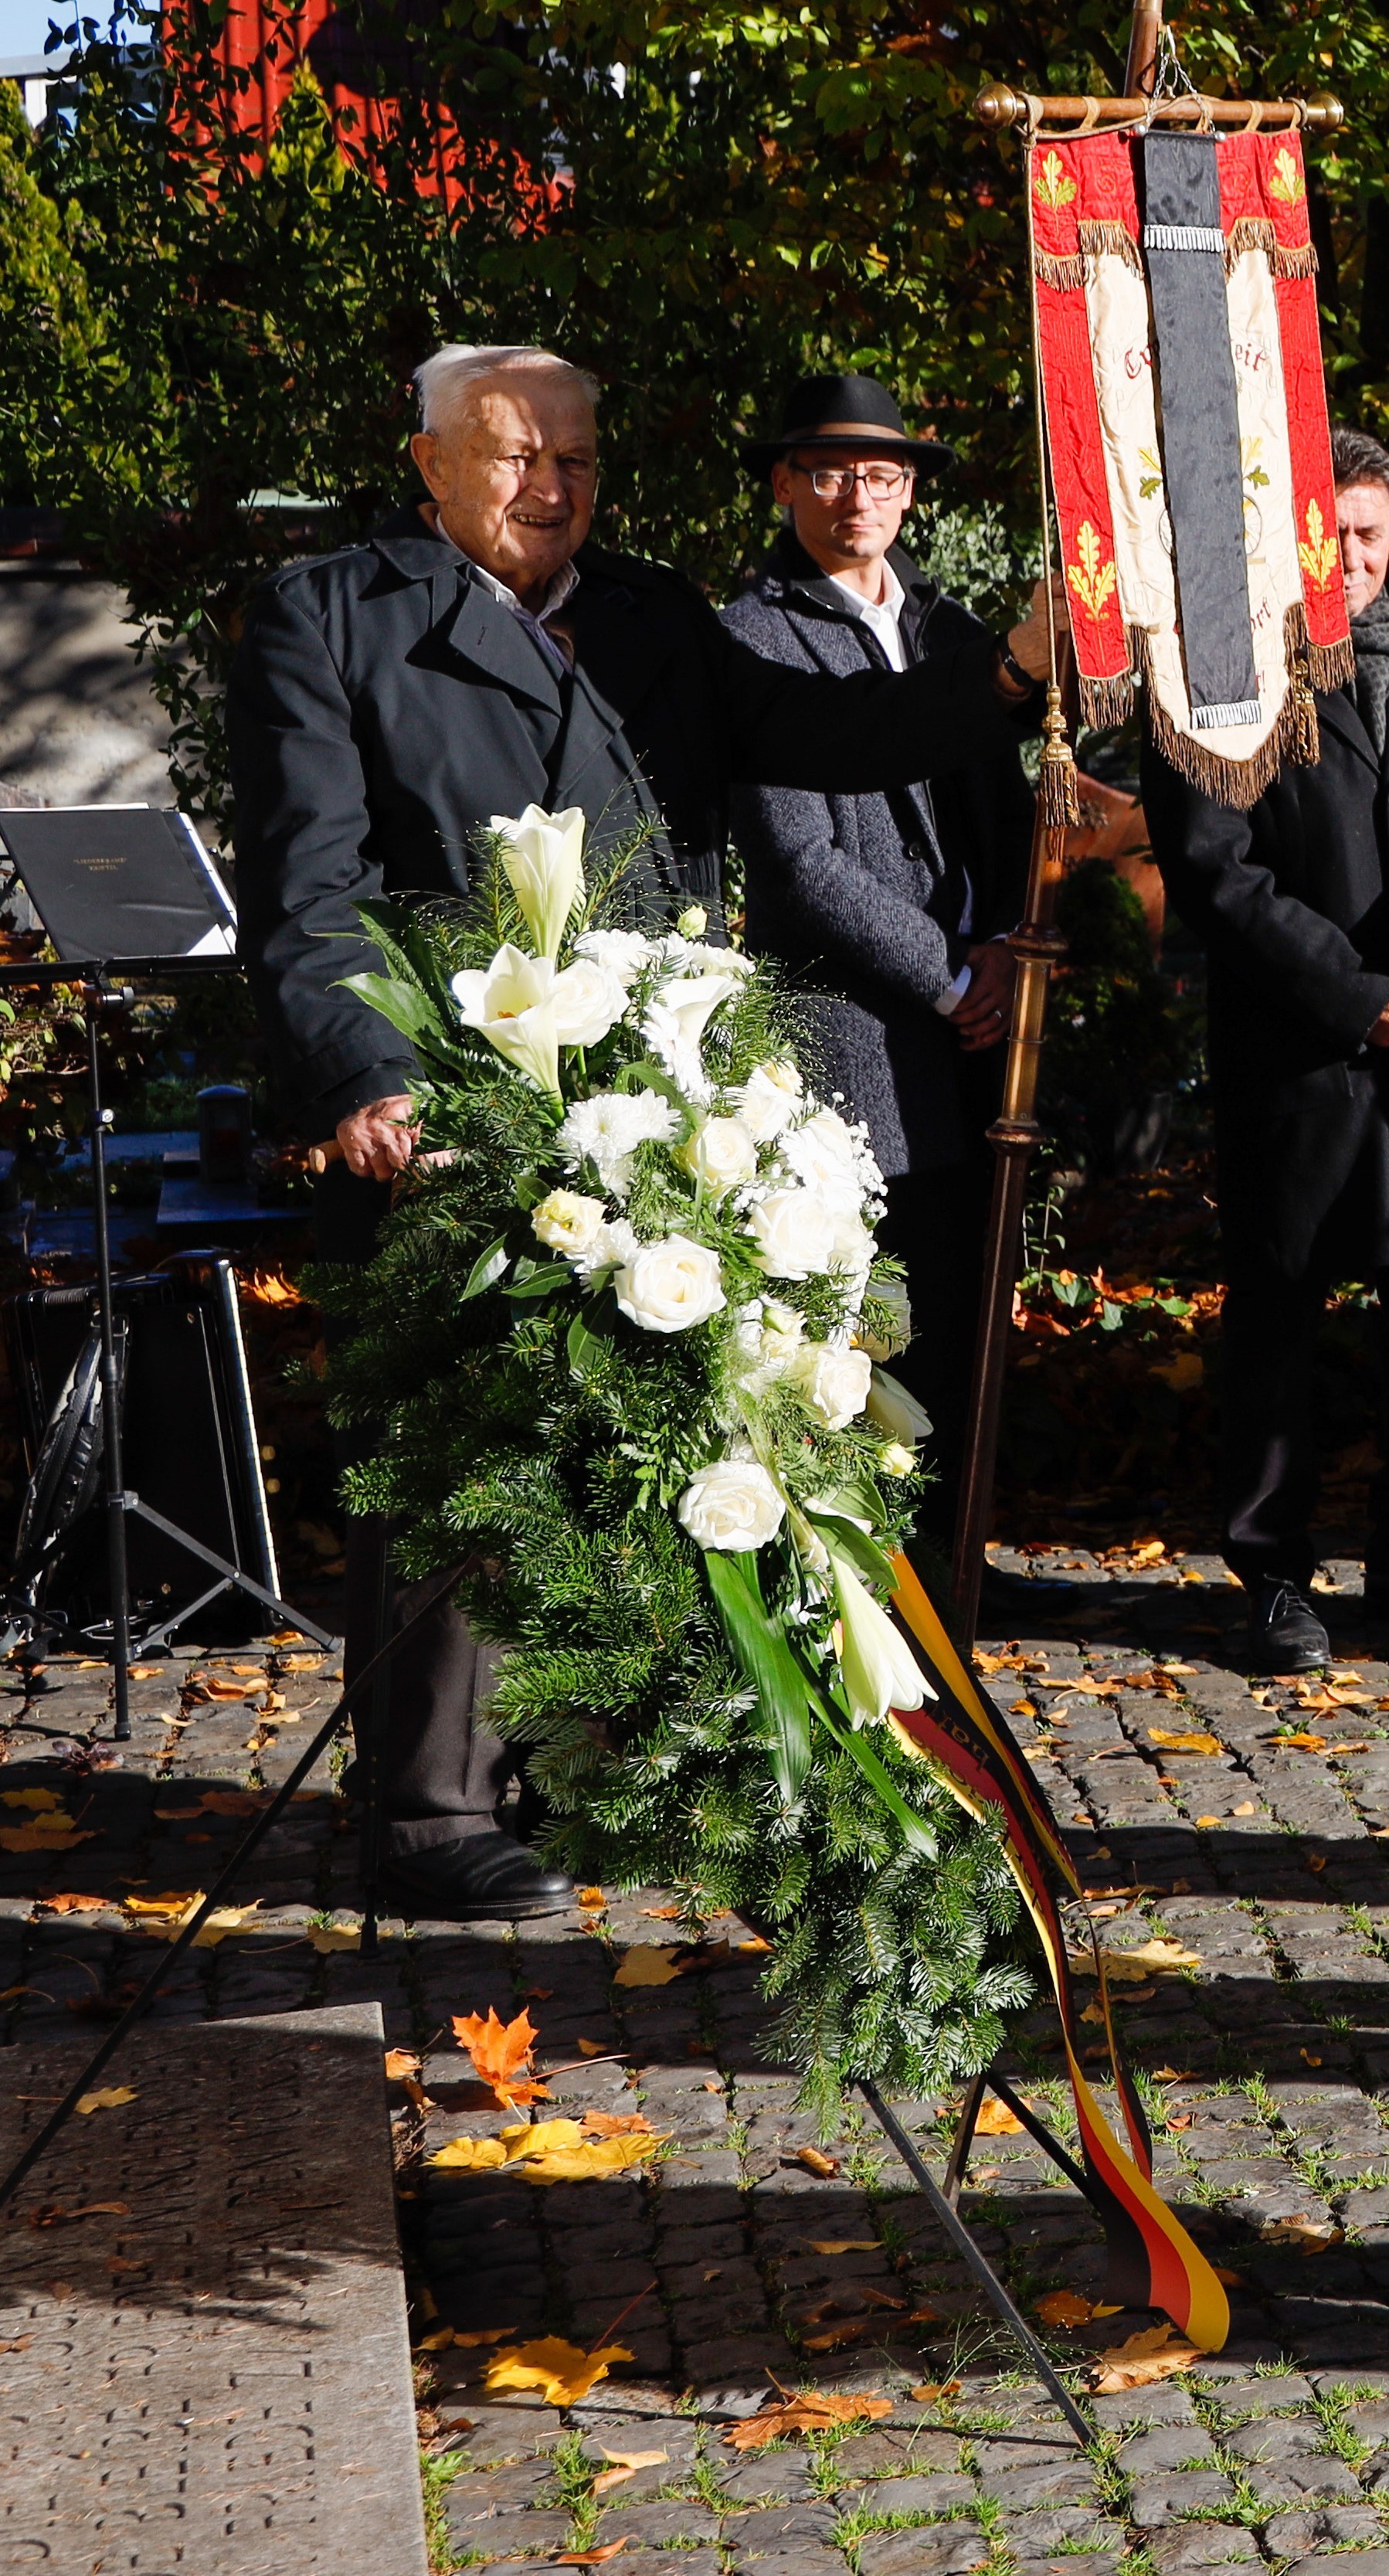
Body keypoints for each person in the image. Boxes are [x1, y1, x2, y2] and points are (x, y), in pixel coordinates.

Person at [231, 344, 1048, 1922]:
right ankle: (426, 1807)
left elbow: (839, 734)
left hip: (642, 1096)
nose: (553, 487)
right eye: (516, 455)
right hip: (452, 1101)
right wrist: (364, 1080)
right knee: (456, 1456)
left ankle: (580, 1767)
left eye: (579, 460)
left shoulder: (653, 617)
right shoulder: (329, 615)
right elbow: (310, 889)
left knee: (627, 1445)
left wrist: (1012, 670)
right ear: (429, 465)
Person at [1146, 430, 1389, 1670]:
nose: (1347, 555)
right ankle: (1273, 1573)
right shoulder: (1223, 677)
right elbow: (1215, 871)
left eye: (1367, 533)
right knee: (1279, 1314)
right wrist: (1356, 997)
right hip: (1296, 1049)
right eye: (1325, 533)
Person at [721, 375, 1031, 1548]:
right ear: (784, 483)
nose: (859, 494)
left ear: (910, 492)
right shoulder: (751, 635)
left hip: (977, 1029)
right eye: (831, 471)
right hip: (851, 1038)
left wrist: (1006, 947)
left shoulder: (953, 632)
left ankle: (955, 1569)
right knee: (863, 1331)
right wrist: (949, 974)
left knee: (963, 1313)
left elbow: (1006, 813)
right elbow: (798, 862)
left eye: (883, 473)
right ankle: (860, 1576)